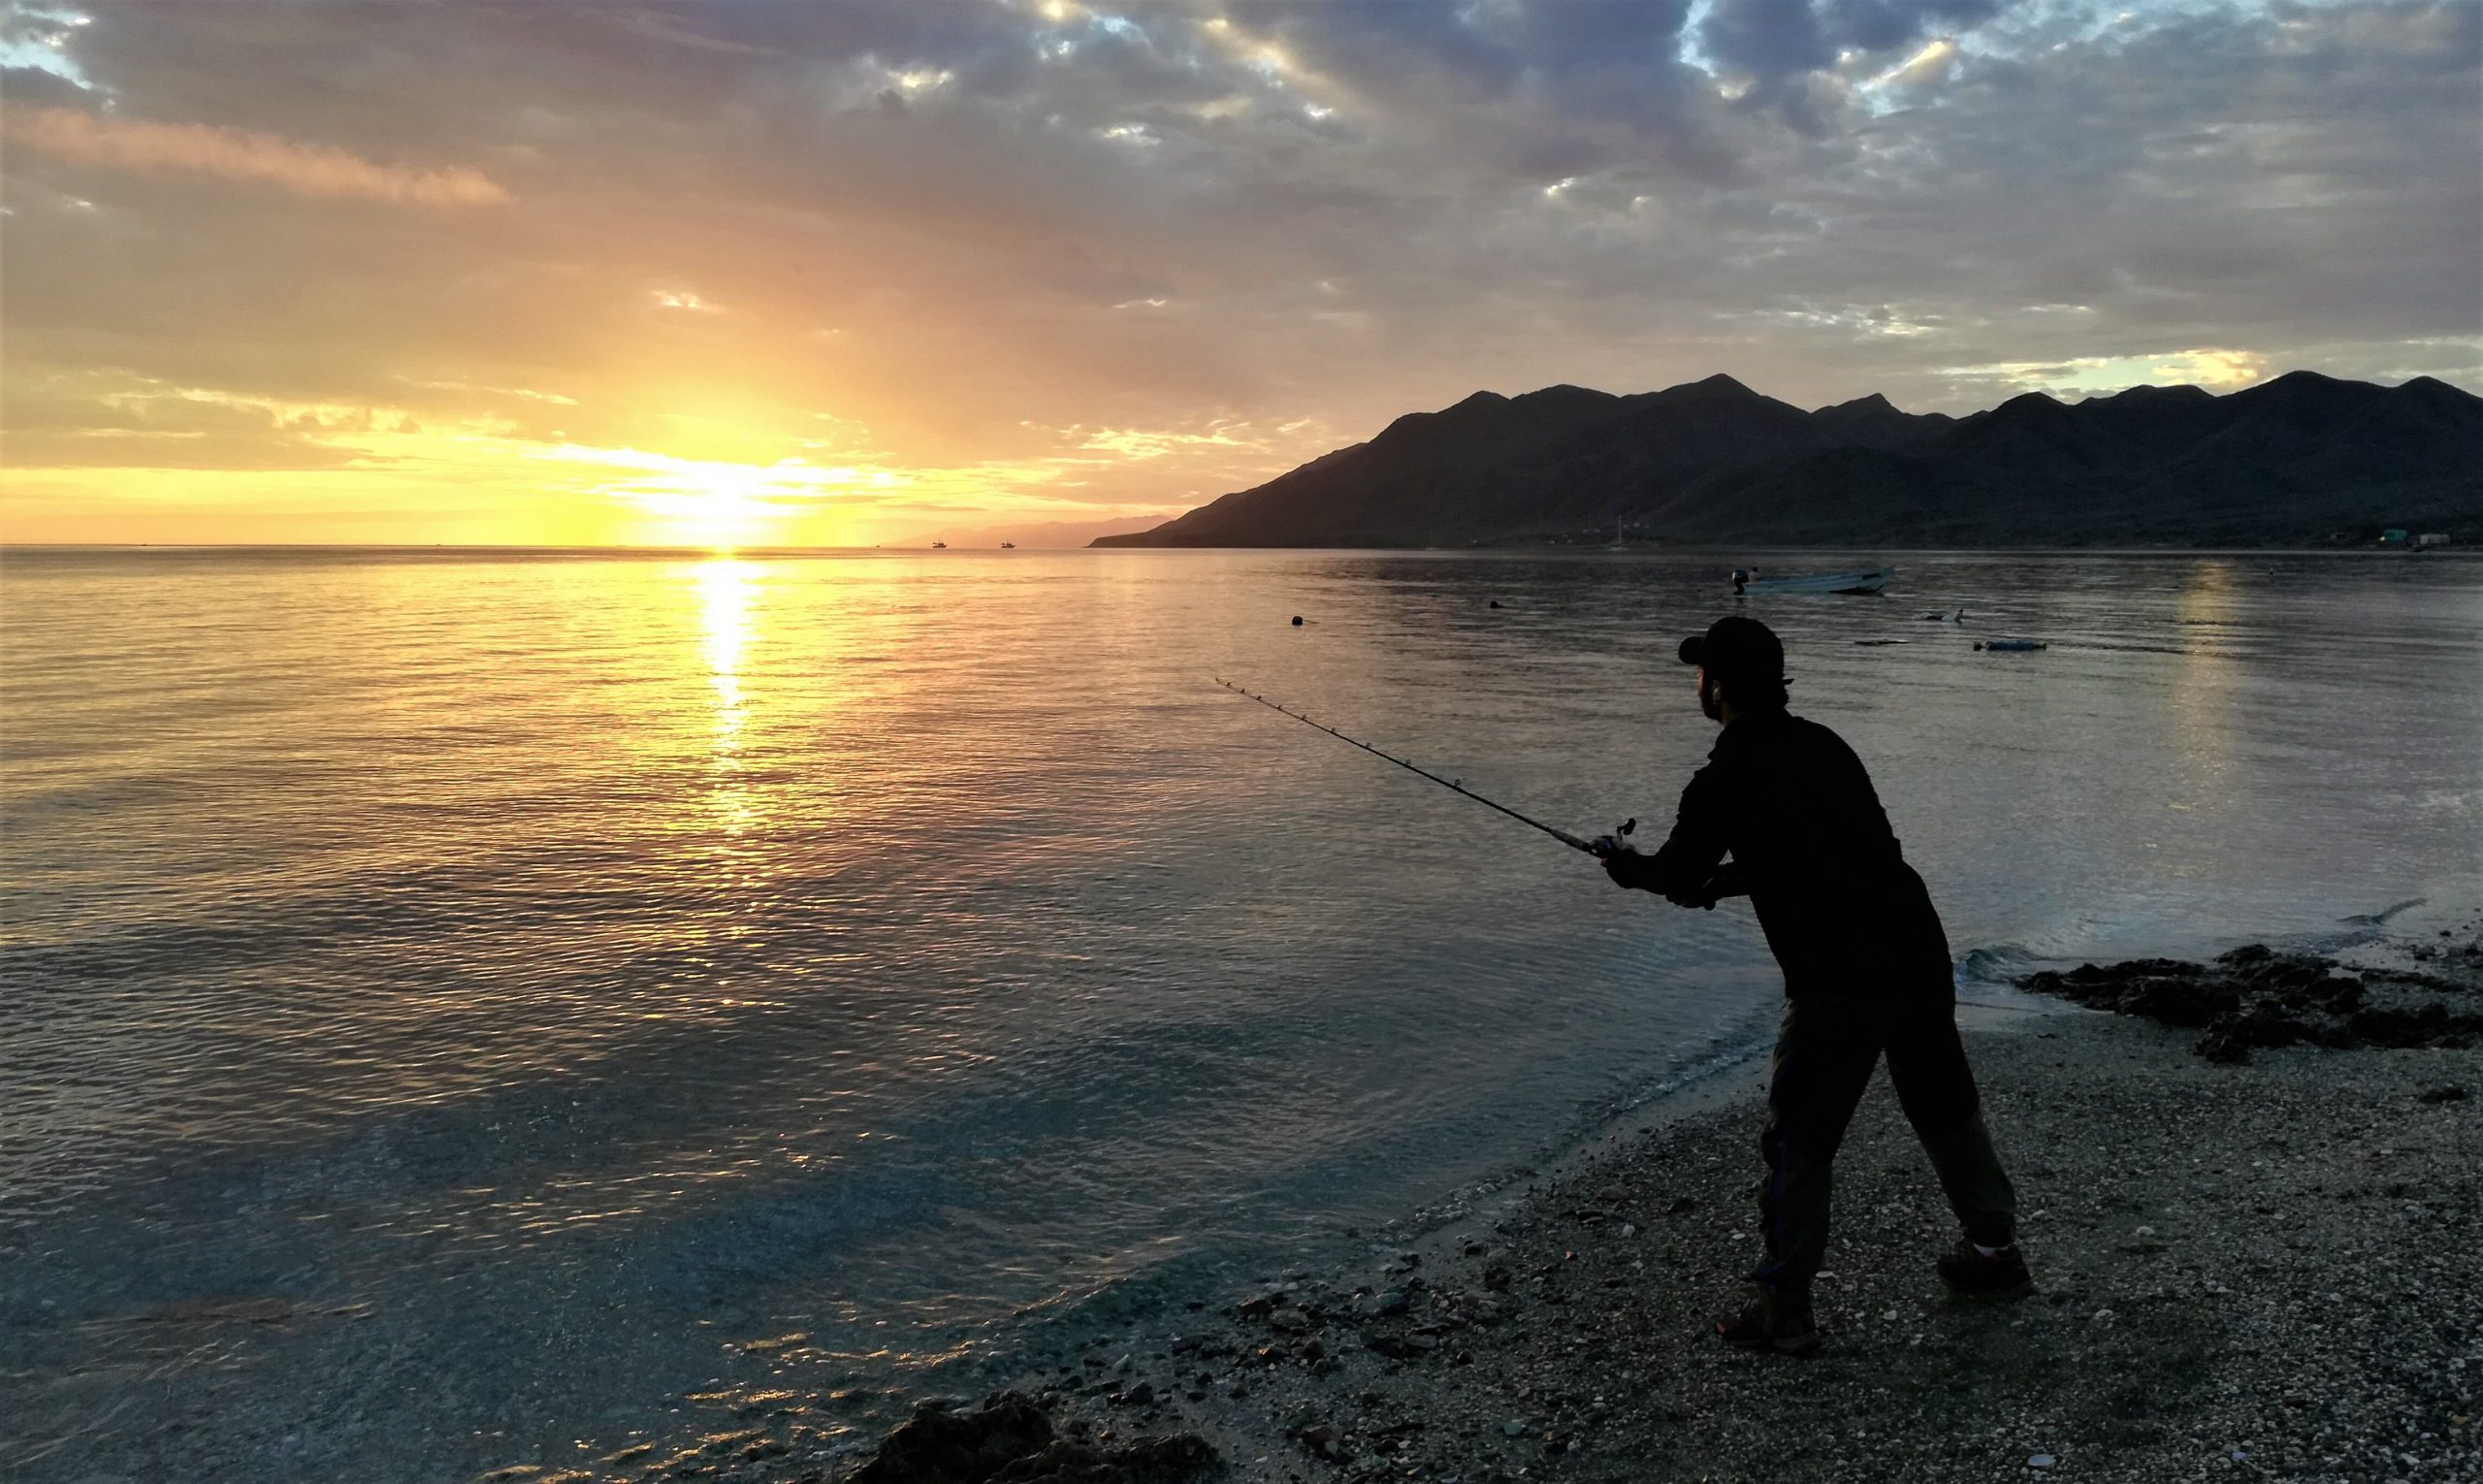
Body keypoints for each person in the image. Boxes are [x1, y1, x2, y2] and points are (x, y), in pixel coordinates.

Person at [1599, 614, 2030, 1355]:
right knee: (1942, 1104)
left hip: (1837, 975)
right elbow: (1834, 852)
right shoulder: (1826, 746)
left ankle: (1784, 1308)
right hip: (1915, 947)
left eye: (1702, 673)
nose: (1698, 684)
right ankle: (1995, 1252)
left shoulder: (1723, 776)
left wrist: (1624, 864)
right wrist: (1721, 884)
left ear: (1719, 688)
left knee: (1799, 1139)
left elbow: (1676, 872)